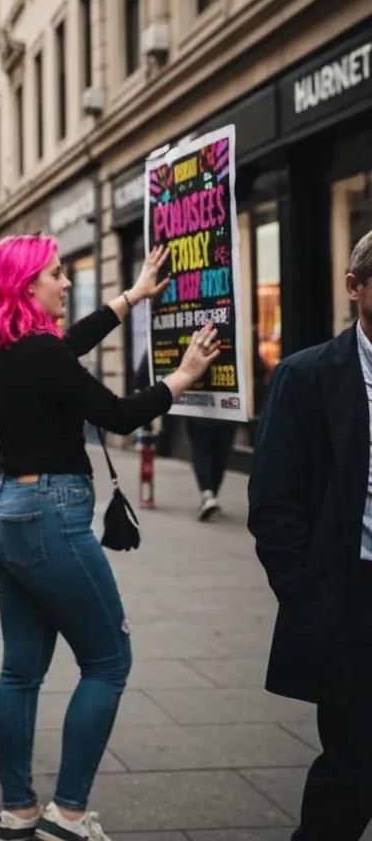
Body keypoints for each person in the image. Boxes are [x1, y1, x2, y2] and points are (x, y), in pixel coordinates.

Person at [0, 235, 219, 841]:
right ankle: (70, 814)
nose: (65, 282)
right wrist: (183, 376)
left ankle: (20, 810)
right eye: (57, 274)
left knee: (20, 672)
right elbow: (120, 414)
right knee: (109, 661)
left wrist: (132, 295)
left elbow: (71, 340)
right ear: (29, 285)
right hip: (49, 516)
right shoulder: (42, 354)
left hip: (6, 514)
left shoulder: (7, 351)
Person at [248, 229, 372, 841]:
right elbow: (274, 499)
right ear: (355, 288)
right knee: (351, 765)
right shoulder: (307, 376)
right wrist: (303, 590)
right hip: (350, 592)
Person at [185, 416, 236, 520]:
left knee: (202, 455)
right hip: (225, 417)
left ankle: (208, 495)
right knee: (218, 458)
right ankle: (210, 496)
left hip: (202, 417)